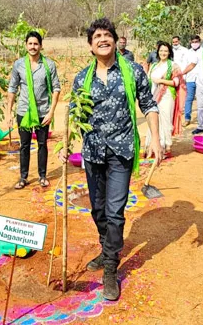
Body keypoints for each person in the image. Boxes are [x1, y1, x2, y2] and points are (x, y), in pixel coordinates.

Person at [60, 18, 162, 301]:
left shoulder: (132, 71)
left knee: (115, 213)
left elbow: (149, 104)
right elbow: (74, 114)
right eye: (97, 36)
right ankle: (107, 251)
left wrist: (155, 139)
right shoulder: (82, 78)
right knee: (98, 210)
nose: (102, 39)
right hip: (92, 153)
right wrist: (65, 142)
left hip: (122, 152)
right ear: (90, 45)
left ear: (115, 41)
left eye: (107, 35)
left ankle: (110, 270)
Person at [6, 31, 61, 189]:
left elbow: (56, 88)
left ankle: (42, 176)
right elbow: (12, 88)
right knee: (24, 145)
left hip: (43, 112)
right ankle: (23, 177)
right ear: (26, 45)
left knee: (42, 144)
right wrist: (8, 112)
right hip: (23, 111)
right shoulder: (19, 65)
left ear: (41, 46)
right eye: (30, 43)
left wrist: (51, 112)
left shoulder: (49, 65)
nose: (33, 47)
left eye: (36, 44)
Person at [145, 41, 186, 156]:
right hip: (153, 96)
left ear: (169, 52)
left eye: (166, 51)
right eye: (161, 50)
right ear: (158, 52)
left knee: (165, 120)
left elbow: (176, 82)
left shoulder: (173, 66)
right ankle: (152, 145)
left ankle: (166, 145)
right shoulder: (154, 65)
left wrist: (161, 81)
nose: (163, 53)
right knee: (154, 120)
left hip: (167, 95)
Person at [181, 35, 202, 126]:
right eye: (193, 42)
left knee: (201, 100)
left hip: (201, 79)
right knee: (189, 99)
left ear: (199, 41)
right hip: (190, 79)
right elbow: (185, 65)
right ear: (190, 42)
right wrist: (183, 78)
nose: (194, 43)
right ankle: (187, 118)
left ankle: (201, 120)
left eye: (196, 41)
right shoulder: (187, 53)